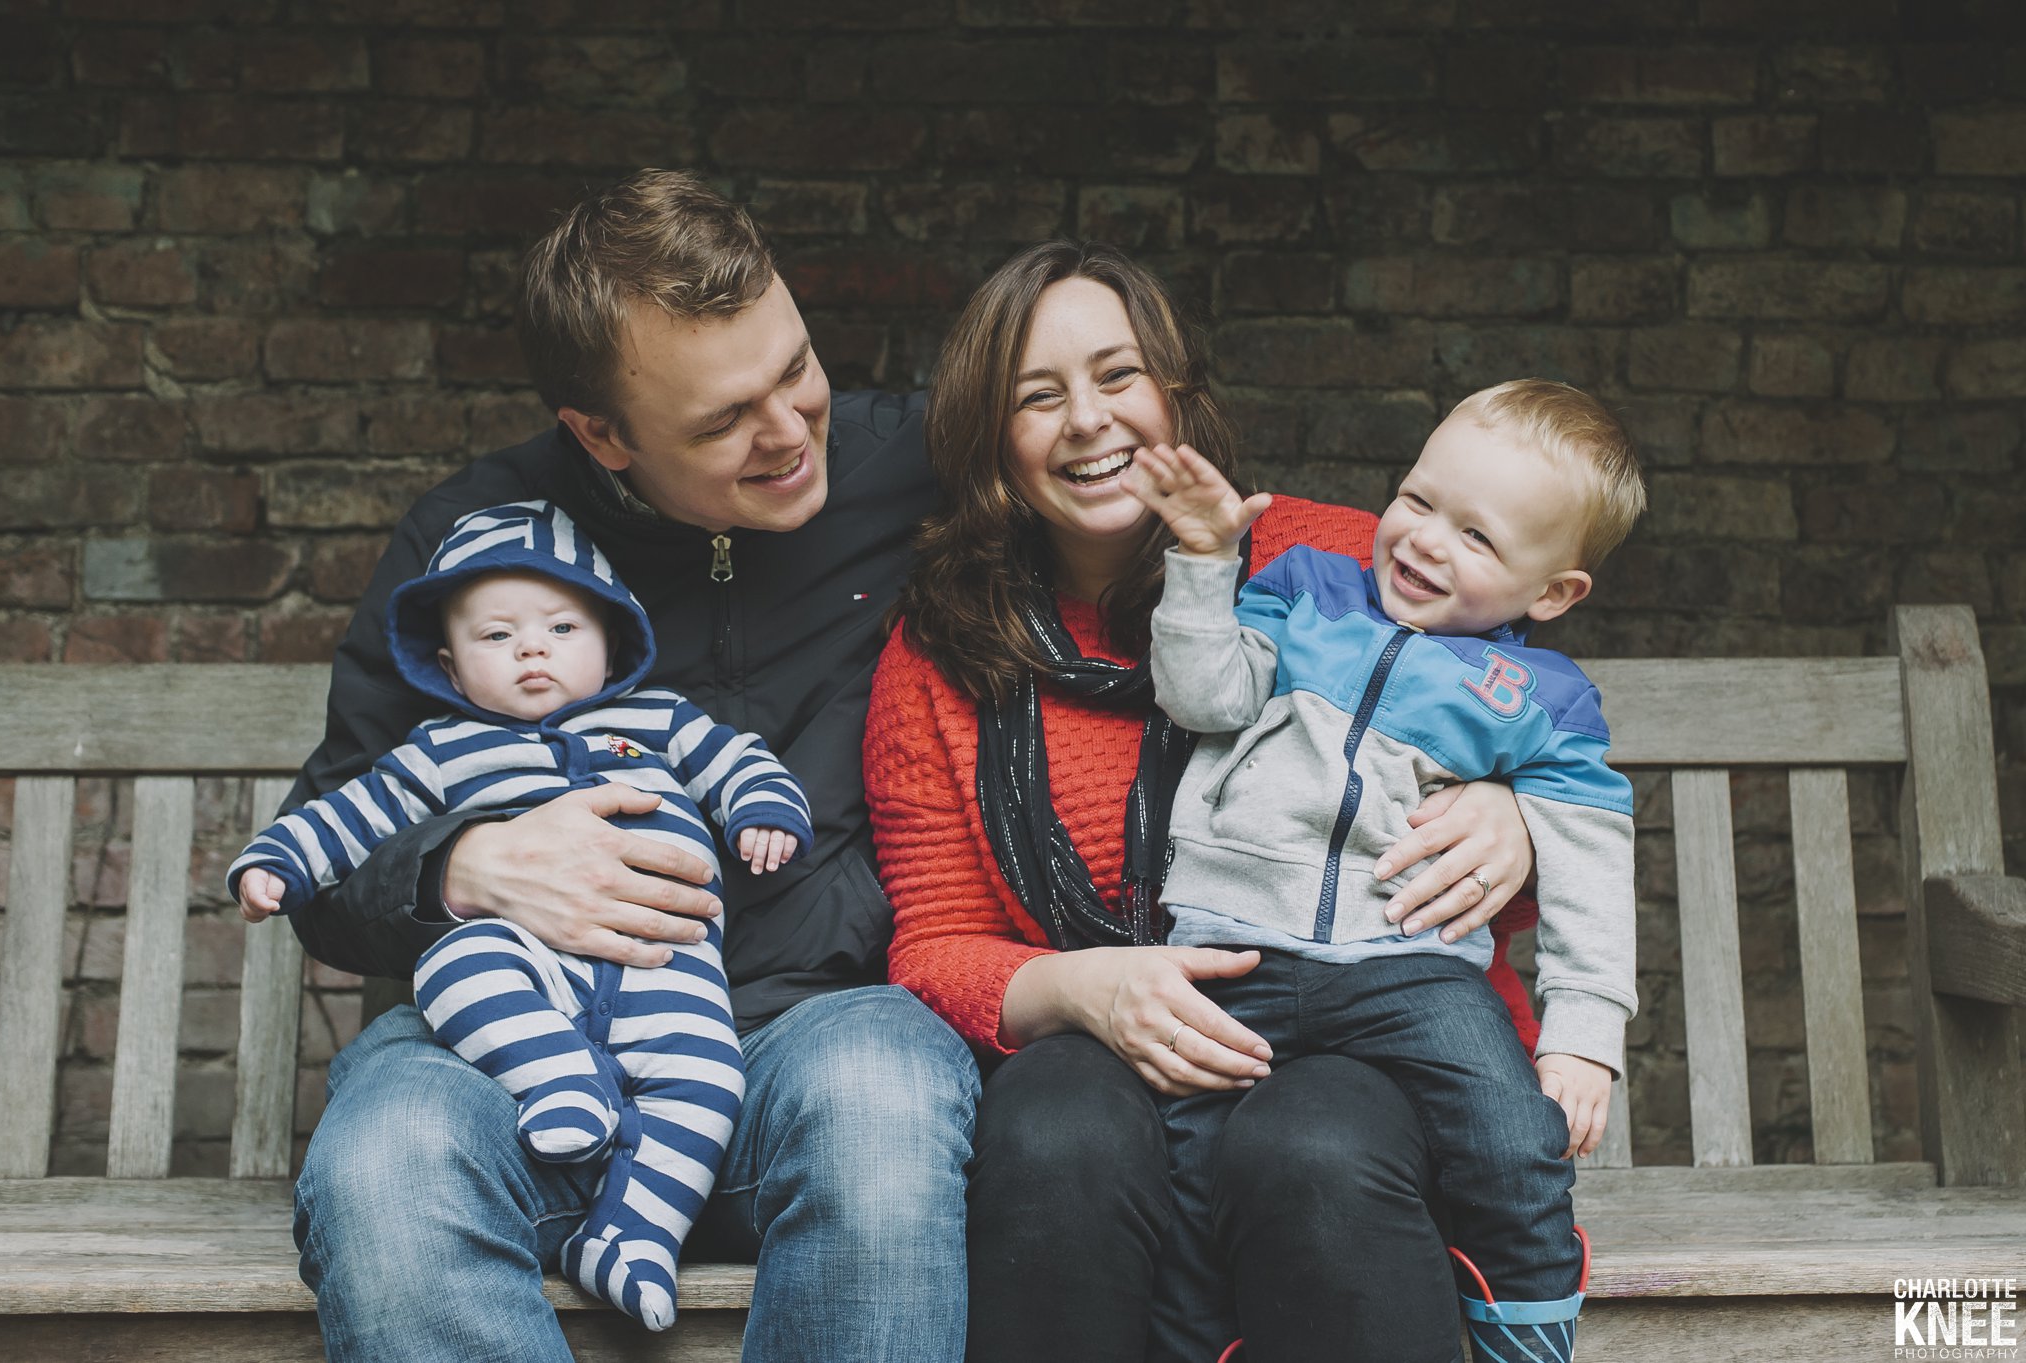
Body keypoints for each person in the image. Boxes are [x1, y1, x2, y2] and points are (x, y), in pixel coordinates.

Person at [280, 170, 979, 1363]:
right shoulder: (472, 542)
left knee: (884, 1093)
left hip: (800, 1030)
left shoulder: (913, 466)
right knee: (384, 1163)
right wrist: (466, 864)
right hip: (511, 1046)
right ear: (598, 433)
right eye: (721, 421)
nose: (787, 432)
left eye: (795, 370)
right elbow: (321, 862)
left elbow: (1172, 507)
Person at [863, 239, 1549, 1363]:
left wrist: (1511, 814)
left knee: (1310, 1141)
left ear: (1173, 392)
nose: (1089, 420)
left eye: (1117, 376)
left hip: (1356, 1027)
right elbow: (934, 942)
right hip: (1100, 1056)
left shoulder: (1325, 565)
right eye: (1038, 397)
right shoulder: (945, 650)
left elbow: (1530, 718)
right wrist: (1082, 986)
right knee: (1052, 1121)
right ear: (991, 439)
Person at [1124, 377, 1647, 1362]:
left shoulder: (1543, 701)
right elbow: (1201, 699)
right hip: (1231, 949)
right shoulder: (1305, 589)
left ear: (1552, 592)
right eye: (1416, 499)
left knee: (1509, 1124)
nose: (1423, 540)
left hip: (1404, 964)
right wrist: (1202, 564)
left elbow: (1586, 867)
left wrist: (1583, 1039)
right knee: (1189, 1168)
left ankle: (1528, 1322)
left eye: (1477, 537)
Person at [231, 499, 813, 1331]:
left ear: (612, 639)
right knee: (453, 965)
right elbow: (348, 815)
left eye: (562, 627)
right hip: (530, 963)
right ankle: (559, 1080)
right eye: (496, 635)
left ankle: (631, 1235)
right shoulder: (440, 749)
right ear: (449, 664)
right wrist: (276, 860)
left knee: (710, 1078)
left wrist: (761, 809)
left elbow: (740, 760)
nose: (532, 648)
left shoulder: (658, 721)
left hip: (666, 964)